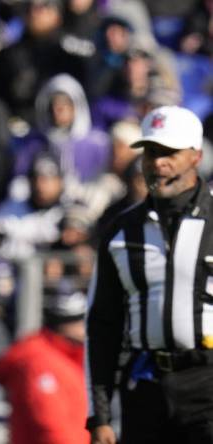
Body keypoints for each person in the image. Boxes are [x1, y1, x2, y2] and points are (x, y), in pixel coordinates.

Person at [86, 105, 213, 444]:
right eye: (151, 152)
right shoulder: (120, 230)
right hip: (146, 386)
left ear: (196, 156)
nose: (158, 163)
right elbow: (102, 326)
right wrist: (98, 415)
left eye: (170, 152)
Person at [0, 284, 89, 444]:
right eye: (82, 320)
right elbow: (49, 425)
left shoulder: (65, 356)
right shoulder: (39, 361)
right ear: (67, 324)